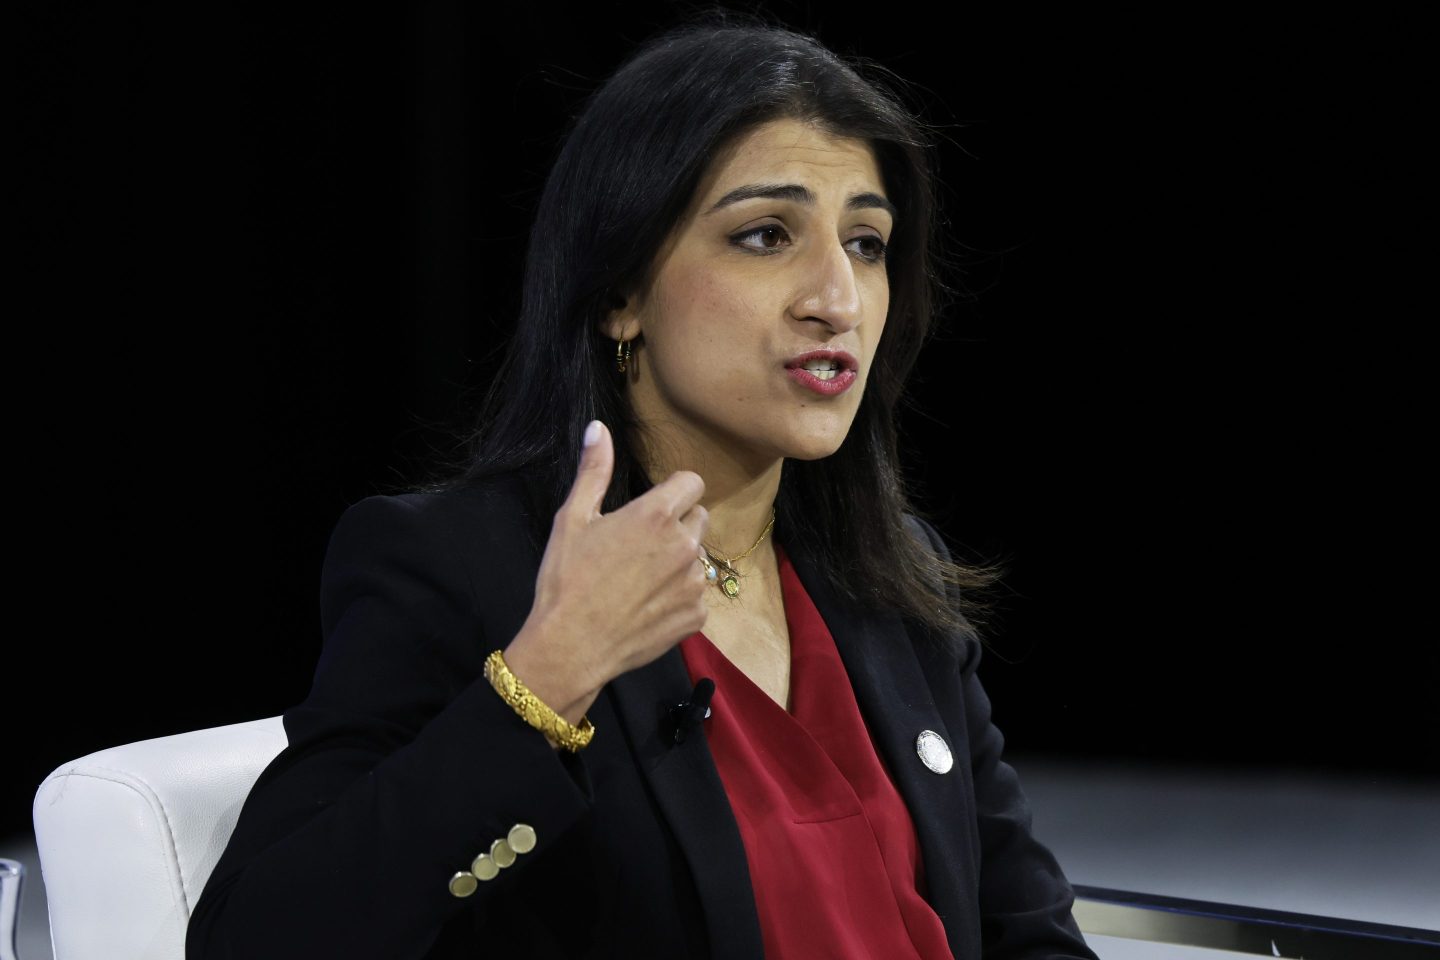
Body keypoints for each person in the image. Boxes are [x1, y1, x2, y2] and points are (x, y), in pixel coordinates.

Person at [188, 15, 1099, 960]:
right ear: (622, 290)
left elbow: (1028, 932)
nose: (837, 296)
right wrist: (545, 680)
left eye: (867, 243)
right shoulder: (465, 568)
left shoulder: (895, 576)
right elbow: (257, 935)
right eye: (766, 235)